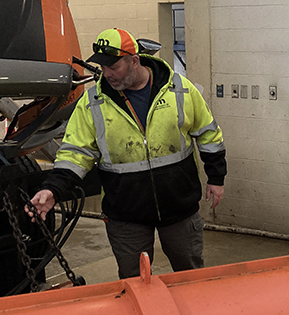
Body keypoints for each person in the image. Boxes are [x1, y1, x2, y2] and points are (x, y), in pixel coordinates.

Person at [26, 28, 227, 278]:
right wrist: (52, 189)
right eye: (103, 66)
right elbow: (75, 153)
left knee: (190, 277)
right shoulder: (93, 103)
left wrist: (216, 178)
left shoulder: (179, 90)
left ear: (134, 60)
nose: (107, 73)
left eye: (114, 66)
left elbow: (208, 135)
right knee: (133, 282)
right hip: (126, 215)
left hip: (180, 209)